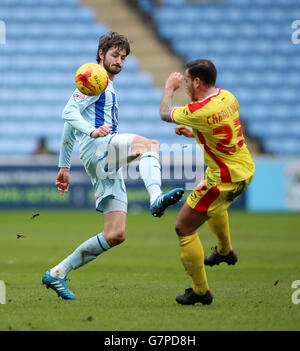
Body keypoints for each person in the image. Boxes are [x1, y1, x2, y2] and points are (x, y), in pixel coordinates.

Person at [42, 32, 184, 300]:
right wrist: (93, 132)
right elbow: (68, 113)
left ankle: (57, 273)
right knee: (149, 146)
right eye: (114, 55)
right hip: (98, 148)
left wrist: (64, 167)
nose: (119, 61)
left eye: (123, 57)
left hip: (99, 158)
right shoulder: (95, 77)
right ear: (100, 54)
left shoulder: (105, 83)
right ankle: (156, 198)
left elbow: (68, 126)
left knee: (115, 233)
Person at [159, 59, 255, 306]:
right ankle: (224, 251)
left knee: (183, 228)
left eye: (188, 81)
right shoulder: (229, 97)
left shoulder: (198, 111)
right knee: (211, 202)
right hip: (244, 169)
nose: (186, 85)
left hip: (223, 179)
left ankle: (200, 291)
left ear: (197, 81)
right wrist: (196, 133)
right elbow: (223, 130)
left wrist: (169, 88)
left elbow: (164, 113)